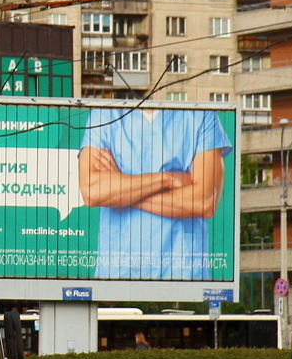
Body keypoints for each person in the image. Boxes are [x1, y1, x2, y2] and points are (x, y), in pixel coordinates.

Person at [79, 107, 231, 280]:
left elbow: (204, 202)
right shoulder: (104, 115)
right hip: (117, 273)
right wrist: (165, 179)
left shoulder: (202, 116)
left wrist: (122, 190)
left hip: (183, 274)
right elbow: (92, 192)